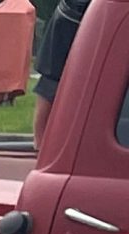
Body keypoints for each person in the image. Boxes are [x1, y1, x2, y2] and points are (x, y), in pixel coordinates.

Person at [33, 0, 86, 146]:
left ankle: (41, 143)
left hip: (74, 13)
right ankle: (41, 142)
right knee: (51, 78)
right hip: (76, 14)